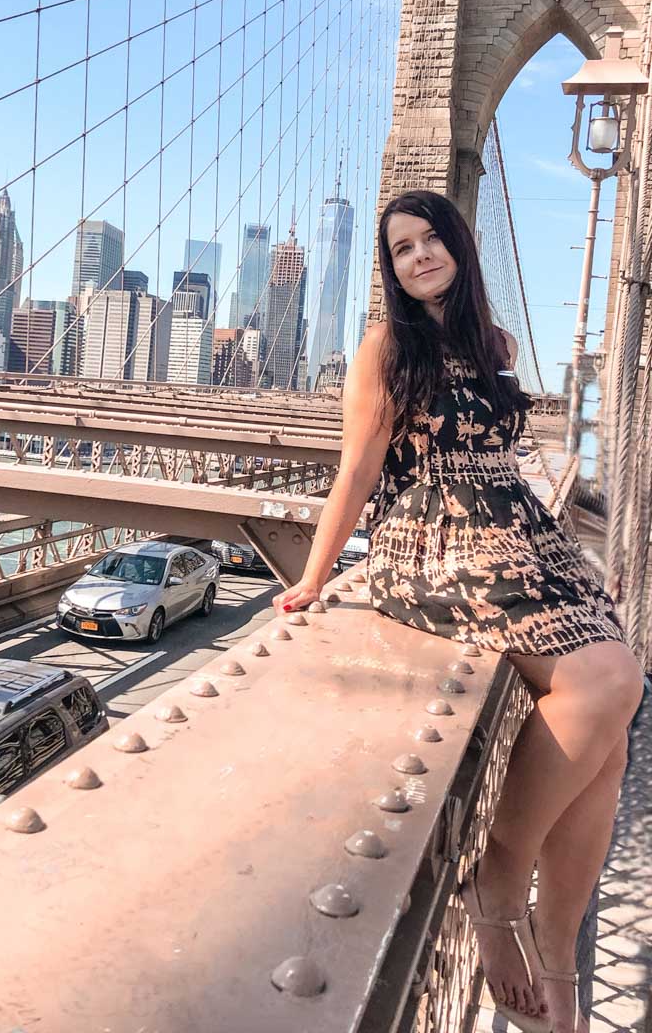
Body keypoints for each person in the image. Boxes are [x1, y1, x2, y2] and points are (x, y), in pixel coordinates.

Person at [274, 190, 643, 1033]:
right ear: (392, 271)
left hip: (519, 536)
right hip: (435, 542)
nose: (420, 256)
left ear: (459, 247)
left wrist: (574, 570)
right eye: (402, 249)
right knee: (608, 680)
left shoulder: (495, 344)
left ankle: (554, 957)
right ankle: (499, 879)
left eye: (432, 239)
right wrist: (315, 576)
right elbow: (358, 472)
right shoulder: (384, 349)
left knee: (612, 736)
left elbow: (503, 465)